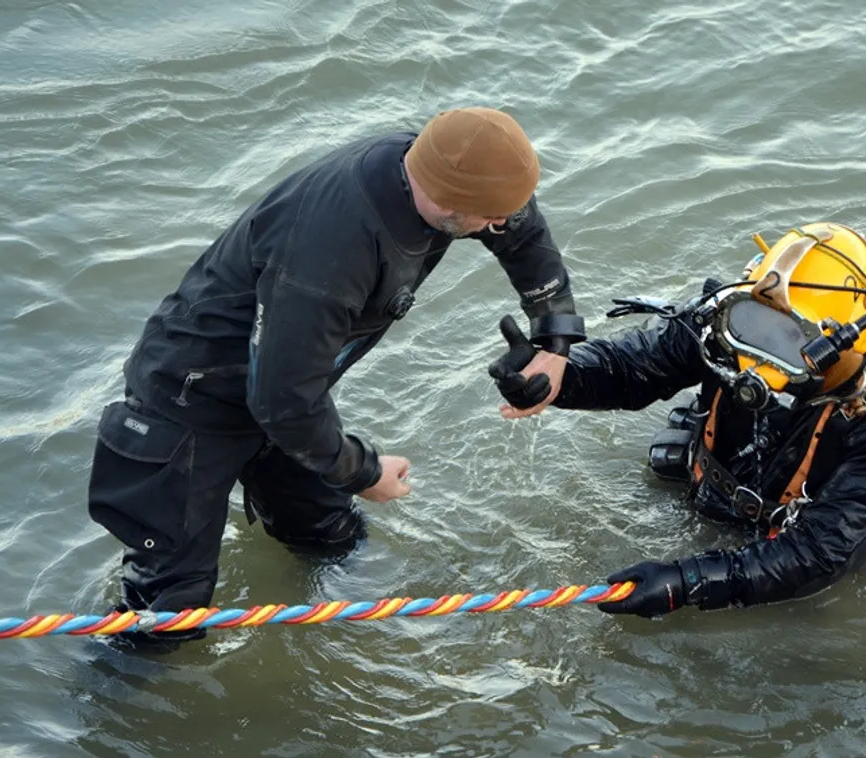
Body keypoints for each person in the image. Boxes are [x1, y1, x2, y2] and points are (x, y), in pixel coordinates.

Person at [88, 107, 586, 643]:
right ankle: (119, 704)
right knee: (167, 613)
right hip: (191, 402)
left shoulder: (442, 169)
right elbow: (282, 401)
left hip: (291, 387)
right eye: (488, 220)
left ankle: (340, 636)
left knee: (331, 536)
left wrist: (553, 339)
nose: (499, 228)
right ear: (446, 203)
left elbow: (521, 229)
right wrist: (364, 471)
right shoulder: (332, 247)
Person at [489, 222, 866, 617]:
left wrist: (687, 584)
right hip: (718, 488)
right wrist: (558, 376)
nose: (755, 358)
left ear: (842, 346)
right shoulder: (724, 326)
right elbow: (634, 368)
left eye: (789, 339)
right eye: (756, 324)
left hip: (813, 523)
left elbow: (820, 554)